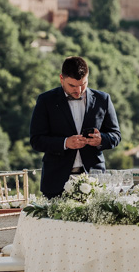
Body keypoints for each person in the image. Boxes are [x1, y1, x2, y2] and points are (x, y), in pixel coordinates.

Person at [30, 56, 122, 198]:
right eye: (72, 86)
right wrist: (65, 143)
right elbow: (36, 140)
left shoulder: (103, 99)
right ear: (61, 79)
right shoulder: (46, 101)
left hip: (94, 178)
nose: (78, 91)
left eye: (83, 84)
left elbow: (116, 135)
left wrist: (101, 139)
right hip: (56, 180)